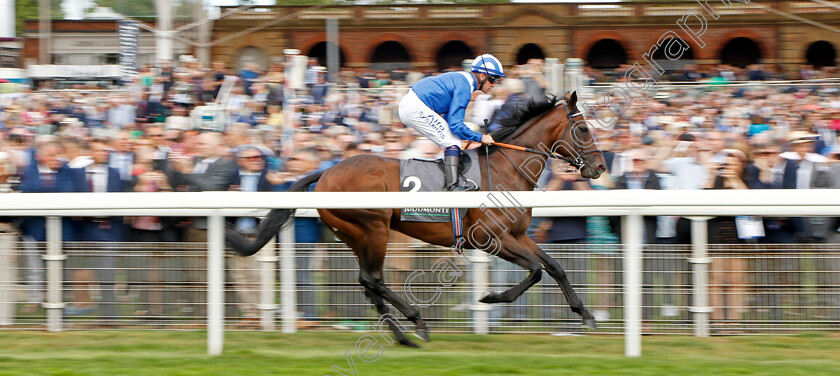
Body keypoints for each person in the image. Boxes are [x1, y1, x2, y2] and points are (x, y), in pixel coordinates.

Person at [398, 54, 501, 191]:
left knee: (453, 140)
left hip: (413, 105)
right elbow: (455, 125)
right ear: (482, 75)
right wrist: (480, 137)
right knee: (453, 142)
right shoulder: (465, 86)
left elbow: (449, 121)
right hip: (415, 107)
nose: (494, 84)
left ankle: (450, 180)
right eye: (492, 79)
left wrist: (466, 136)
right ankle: (453, 188)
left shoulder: (464, 80)